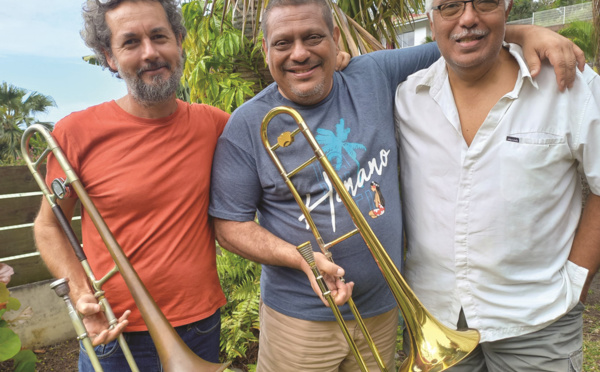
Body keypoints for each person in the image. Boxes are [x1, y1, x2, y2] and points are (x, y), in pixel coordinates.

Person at [209, 0, 584, 370]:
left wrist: (524, 31)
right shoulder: (247, 126)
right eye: (283, 43)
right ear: (265, 49)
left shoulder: (372, 74)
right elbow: (229, 226)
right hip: (299, 322)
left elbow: (457, 38)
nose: (300, 53)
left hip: (384, 313)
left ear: (335, 38)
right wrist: (300, 259)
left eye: (313, 37)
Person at [394, 0, 600, 370]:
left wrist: (576, 281)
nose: (468, 17)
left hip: (540, 322)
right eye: (450, 6)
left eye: (485, 2)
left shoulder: (570, 85)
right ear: (431, 18)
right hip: (435, 318)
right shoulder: (407, 98)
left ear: (507, 10)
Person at [33, 0, 230, 370]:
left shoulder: (215, 124)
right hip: (115, 330)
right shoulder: (75, 132)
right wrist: (79, 290)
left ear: (179, 42)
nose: (151, 53)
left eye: (159, 37)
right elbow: (48, 225)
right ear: (109, 56)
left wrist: (336, 65)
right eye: (131, 43)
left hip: (199, 324)